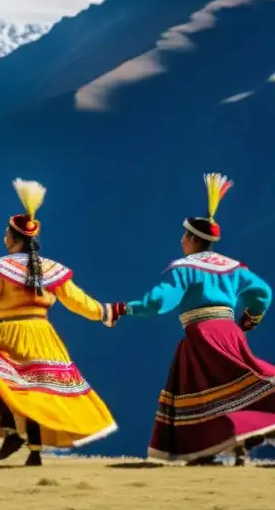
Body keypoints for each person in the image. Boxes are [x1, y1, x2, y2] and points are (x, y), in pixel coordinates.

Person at [0, 179, 116, 466]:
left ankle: (13, 433)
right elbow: (78, 301)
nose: (3, 236)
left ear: (13, 238)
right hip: (44, 335)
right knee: (38, 391)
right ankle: (34, 450)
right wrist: (104, 312)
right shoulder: (51, 270)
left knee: (6, 385)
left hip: (10, 334)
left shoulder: (0, 271)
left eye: (6, 233)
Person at [104, 173, 275, 464]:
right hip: (230, 333)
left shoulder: (184, 268)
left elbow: (159, 302)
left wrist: (123, 308)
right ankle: (240, 442)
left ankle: (207, 449)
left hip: (202, 336)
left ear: (194, 240)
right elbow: (263, 292)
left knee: (202, 391)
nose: (181, 241)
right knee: (238, 384)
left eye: (184, 236)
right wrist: (249, 319)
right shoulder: (234, 267)